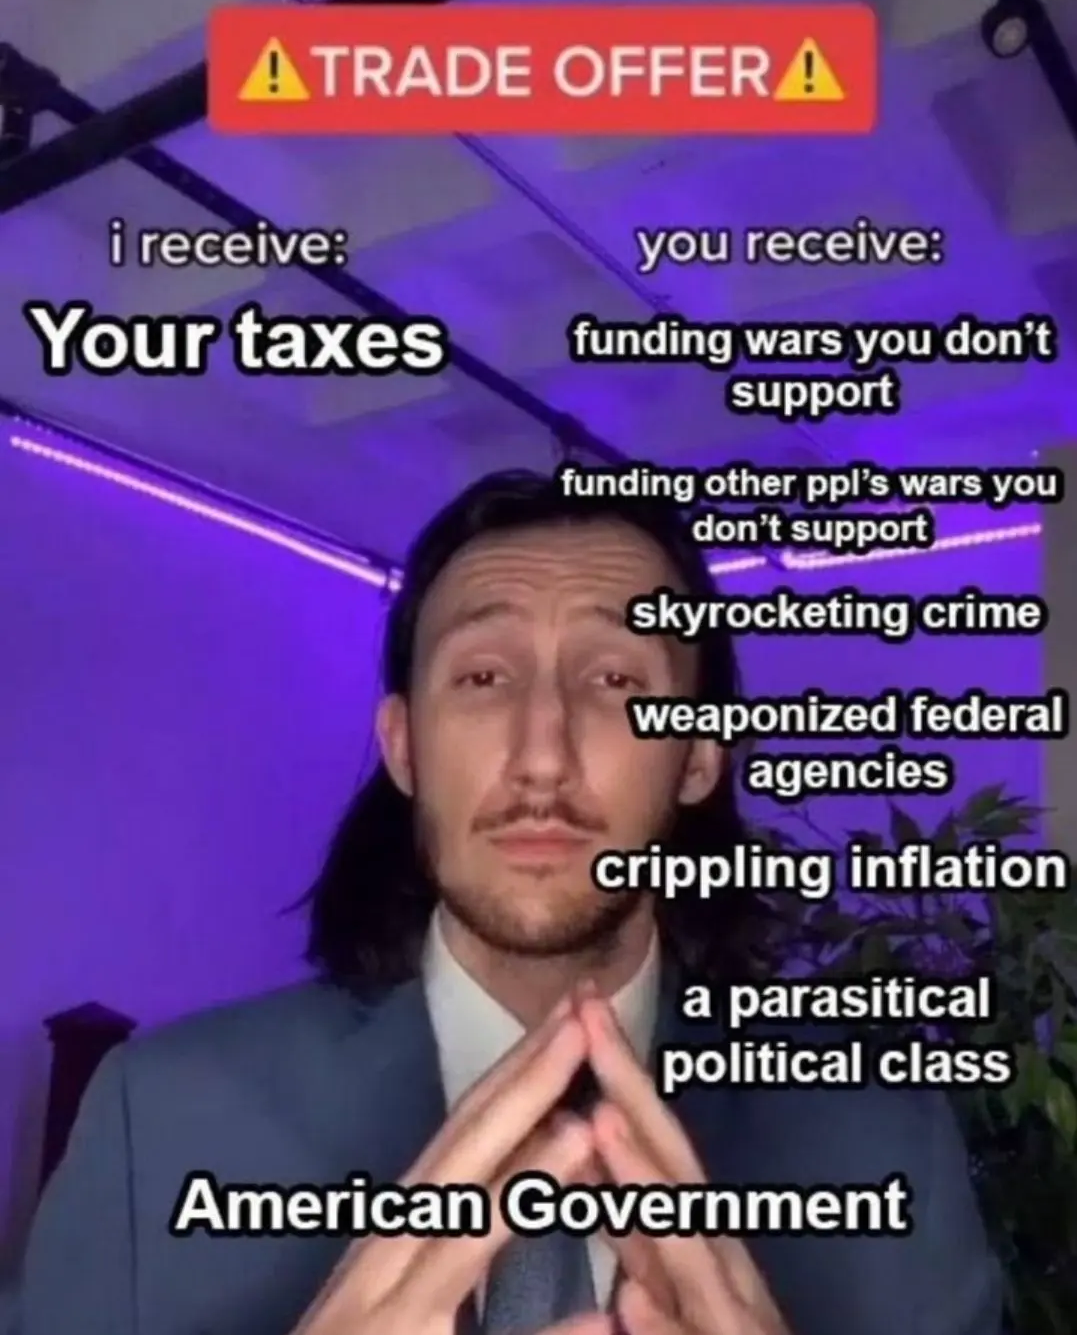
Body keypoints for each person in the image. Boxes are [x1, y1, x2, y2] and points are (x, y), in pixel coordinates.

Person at [11, 470, 1000, 1335]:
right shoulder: (160, 1120)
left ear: (700, 757)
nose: (541, 754)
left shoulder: (887, 1148)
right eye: (483, 676)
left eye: (615, 679)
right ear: (404, 747)